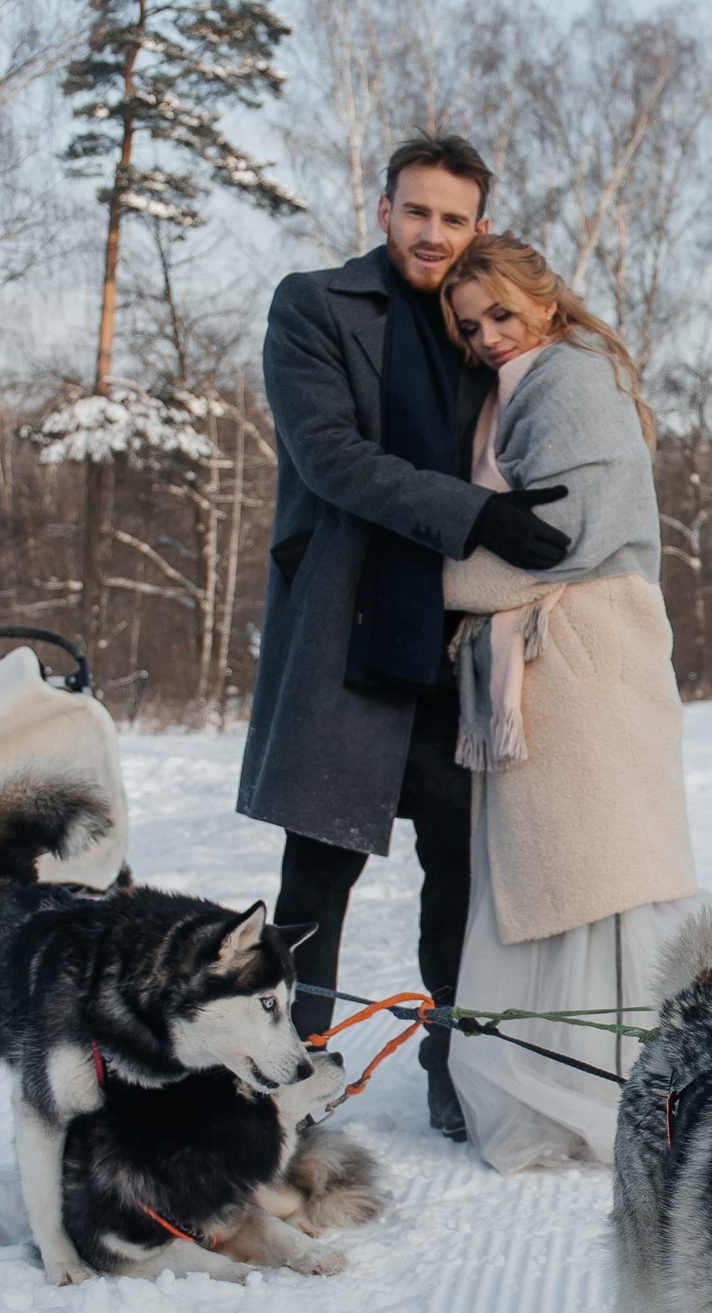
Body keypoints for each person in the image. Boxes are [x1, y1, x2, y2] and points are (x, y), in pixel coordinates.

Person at [237, 135, 575, 1137]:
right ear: (382, 208)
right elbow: (332, 457)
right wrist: (475, 518)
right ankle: (285, 1080)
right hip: (349, 629)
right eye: (418, 212)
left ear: (480, 226)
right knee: (316, 877)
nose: (434, 234)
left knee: (461, 875)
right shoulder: (315, 306)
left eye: (455, 218)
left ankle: (454, 1067)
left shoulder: (486, 322)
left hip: (457, 639)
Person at [436, 234, 699, 1172]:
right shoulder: (527, 381)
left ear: (545, 300)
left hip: (585, 649)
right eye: (471, 327)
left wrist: (435, 580)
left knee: (597, 874)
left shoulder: (573, 378)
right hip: (555, 651)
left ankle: (599, 1087)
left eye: (503, 314)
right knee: (566, 872)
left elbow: (569, 534)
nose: (490, 337)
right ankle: (572, 1083)